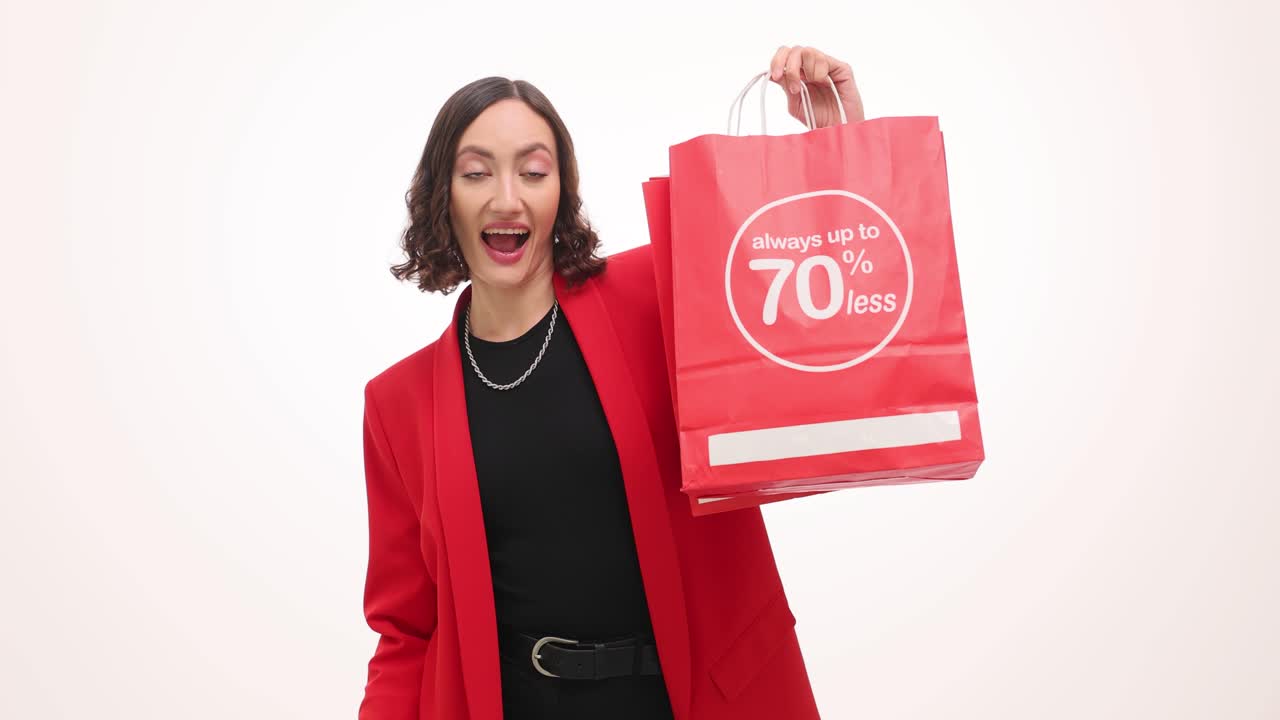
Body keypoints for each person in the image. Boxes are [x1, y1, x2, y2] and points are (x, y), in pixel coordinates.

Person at [358, 46, 866, 720]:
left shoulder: (658, 295)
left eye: (533, 171)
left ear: (560, 189)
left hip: (695, 697)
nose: (507, 197)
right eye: (477, 172)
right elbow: (406, 632)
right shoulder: (397, 405)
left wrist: (834, 144)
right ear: (441, 198)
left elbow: (808, 316)